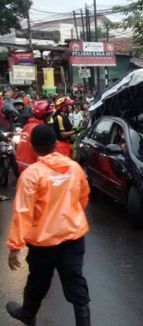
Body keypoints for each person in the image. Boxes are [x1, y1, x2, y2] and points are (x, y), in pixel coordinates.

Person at [6, 125, 91, 326]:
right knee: (76, 284)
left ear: (33, 147)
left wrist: (14, 247)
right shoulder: (74, 168)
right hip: (73, 238)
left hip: (43, 244)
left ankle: (27, 314)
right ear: (55, 144)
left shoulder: (31, 175)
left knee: (37, 282)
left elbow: (22, 213)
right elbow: (83, 197)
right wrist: (69, 215)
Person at [16, 101, 56, 172]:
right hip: (32, 168)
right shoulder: (40, 130)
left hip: (20, 166)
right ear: (45, 116)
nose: (50, 117)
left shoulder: (27, 126)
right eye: (49, 115)